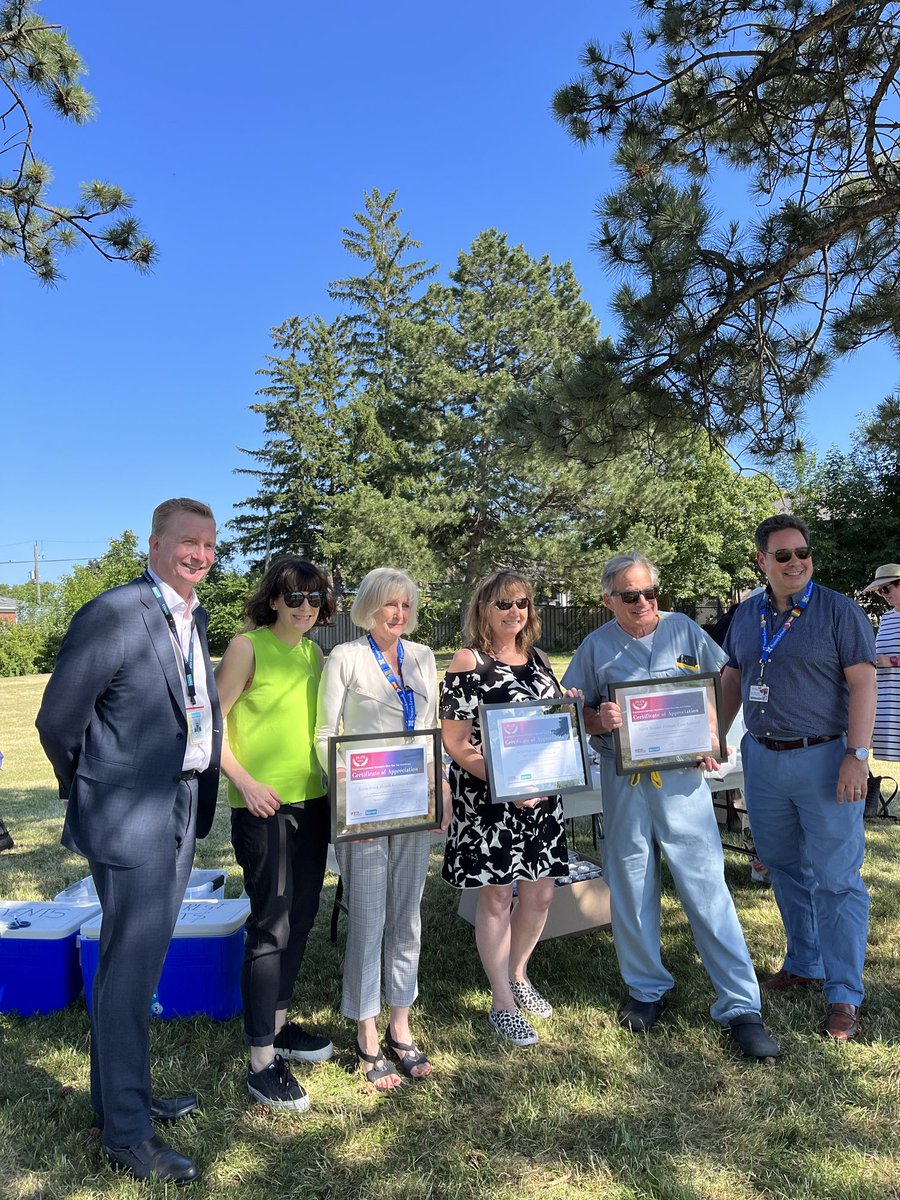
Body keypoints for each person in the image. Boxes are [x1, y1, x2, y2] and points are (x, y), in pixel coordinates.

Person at [36, 498, 221, 1185]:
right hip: (130, 817)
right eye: (188, 542)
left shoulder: (191, 613)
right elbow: (58, 720)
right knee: (127, 973)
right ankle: (126, 1136)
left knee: (134, 970)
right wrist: (93, 786)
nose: (200, 554)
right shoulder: (115, 612)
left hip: (178, 807)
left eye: (209, 544)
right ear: (154, 542)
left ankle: (125, 1100)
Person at [561, 551, 780, 1059]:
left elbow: (726, 679)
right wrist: (599, 719)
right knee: (632, 883)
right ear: (608, 600)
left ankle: (740, 1005)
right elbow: (578, 712)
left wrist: (715, 735)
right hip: (625, 783)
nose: (643, 603)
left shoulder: (684, 630)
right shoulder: (596, 647)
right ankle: (646, 989)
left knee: (706, 888)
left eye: (650, 593)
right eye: (630, 595)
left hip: (682, 783)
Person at [720, 515, 876, 1042]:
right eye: (782, 555)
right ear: (762, 561)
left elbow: (864, 684)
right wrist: (714, 736)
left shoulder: (840, 611)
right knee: (784, 866)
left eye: (802, 552)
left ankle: (844, 993)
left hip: (826, 757)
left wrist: (857, 755)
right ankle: (805, 961)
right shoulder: (746, 614)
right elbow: (734, 677)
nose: (795, 563)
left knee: (836, 878)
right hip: (762, 759)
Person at [215, 558, 336, 1114]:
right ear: (273, 599)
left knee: (304, 914)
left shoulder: (314, 654)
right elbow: (209, 726)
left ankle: (280, 1023)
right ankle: (261, 1059)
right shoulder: (247, 647)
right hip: (265, 808)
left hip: (314, 804)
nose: (305, 609)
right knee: (271, 925)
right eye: (294, 598)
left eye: (314, 600)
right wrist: (244, 782)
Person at [315, 568, 441, 1089]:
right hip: (364, 810)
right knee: (368, 918)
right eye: (390, 605)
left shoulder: (423, 658)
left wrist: (443, 795)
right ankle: (365, 1031)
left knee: (406, 916)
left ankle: (400, 1022)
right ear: (369, 607)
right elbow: (325, 735)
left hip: (415, 804)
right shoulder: (344, 657)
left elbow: (432, 731)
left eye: (406, 606)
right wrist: (350, 806)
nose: (399, 614)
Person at [440, 569, 571, 1049]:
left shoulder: (538, 659)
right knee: (497, 898)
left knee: (539, 896)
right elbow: (455, 742)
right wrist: (506, 783)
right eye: (503, 604)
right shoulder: (467, 662)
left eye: (521, 603)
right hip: (490, 801)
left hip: (540, 801)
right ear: (483, 610)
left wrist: (568, 709)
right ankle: (501, 1001)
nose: (514, 612)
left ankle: (518, 973)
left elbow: (550, 725)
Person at [862, 563, 900, 769]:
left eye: (887, 588)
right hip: (887, 700)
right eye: (880, 591)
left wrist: (891, 661)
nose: (883, 594)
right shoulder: (886, 618)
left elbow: (890, 658)